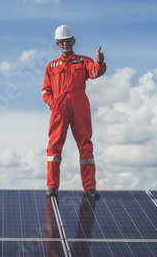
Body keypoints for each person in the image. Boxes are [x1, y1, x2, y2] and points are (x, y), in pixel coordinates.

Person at [42, 24, 106, 199]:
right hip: (59, 107)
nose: (65, 44)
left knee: (85, 144)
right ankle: (52, 186)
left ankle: (89, 187)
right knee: (54, 146)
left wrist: (99, 61)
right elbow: (45, 91)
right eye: (61, 42)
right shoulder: (51, 66)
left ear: (74, 41)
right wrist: (52, 103)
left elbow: (95, 72)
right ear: (57, 44)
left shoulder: (83, 61)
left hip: (79, 105)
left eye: (67, 41)